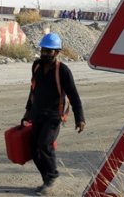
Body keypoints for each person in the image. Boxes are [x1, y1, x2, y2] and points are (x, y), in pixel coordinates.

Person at [21, 33, 85, 195]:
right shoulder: (36, 66)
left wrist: (80, 118)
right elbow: (33, 89)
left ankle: (53, 177)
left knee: (44, 145)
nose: (44, 53)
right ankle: (46, 180)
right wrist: (28, 111)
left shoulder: (63, 71)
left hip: (53, 117)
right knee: (34, 150)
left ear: (57, 52)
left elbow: (74, 95)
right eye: (43, 50)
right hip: (37, 114)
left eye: (49, 51)